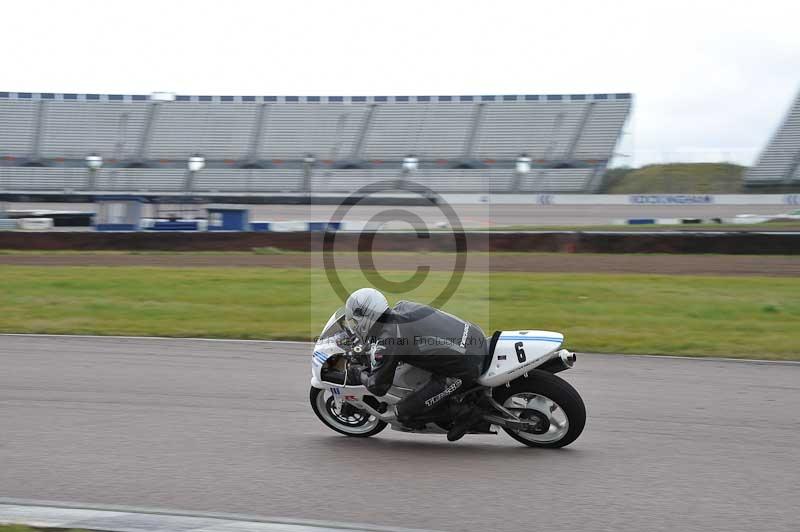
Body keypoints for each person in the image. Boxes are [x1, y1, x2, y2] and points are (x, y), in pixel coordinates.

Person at [344, 287, 487, 441]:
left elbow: (378, 386)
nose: (355, 326)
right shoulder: (402, 306)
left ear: (367, 316)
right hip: (475, 335)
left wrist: (358, 373)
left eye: (356, 321)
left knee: (403, 413)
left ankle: (467, 412)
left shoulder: (389, 340)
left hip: (465, 368)